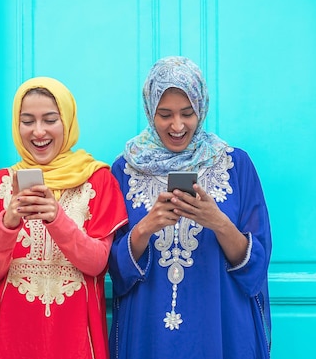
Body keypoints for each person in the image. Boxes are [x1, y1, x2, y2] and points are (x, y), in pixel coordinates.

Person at [108, 56, 272, 359]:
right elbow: (115, 270)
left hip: (221, 327)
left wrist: (218, 222)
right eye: (165, 114)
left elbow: (257, 267)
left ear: (201, 108)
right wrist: (146, 227)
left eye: (187, 113)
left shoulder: (236, 166)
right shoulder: (124, 169)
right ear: (149, 111)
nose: (177, 125)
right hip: (148, 330)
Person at [0, 77, 128, 359]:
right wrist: (9, 224)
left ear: (66, 121)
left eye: (50, 119)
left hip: (74, 337)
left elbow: (97, 263)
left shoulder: (97, 181)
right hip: (10, 337)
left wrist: (57, 219)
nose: (38, 131)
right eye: (27, 120)